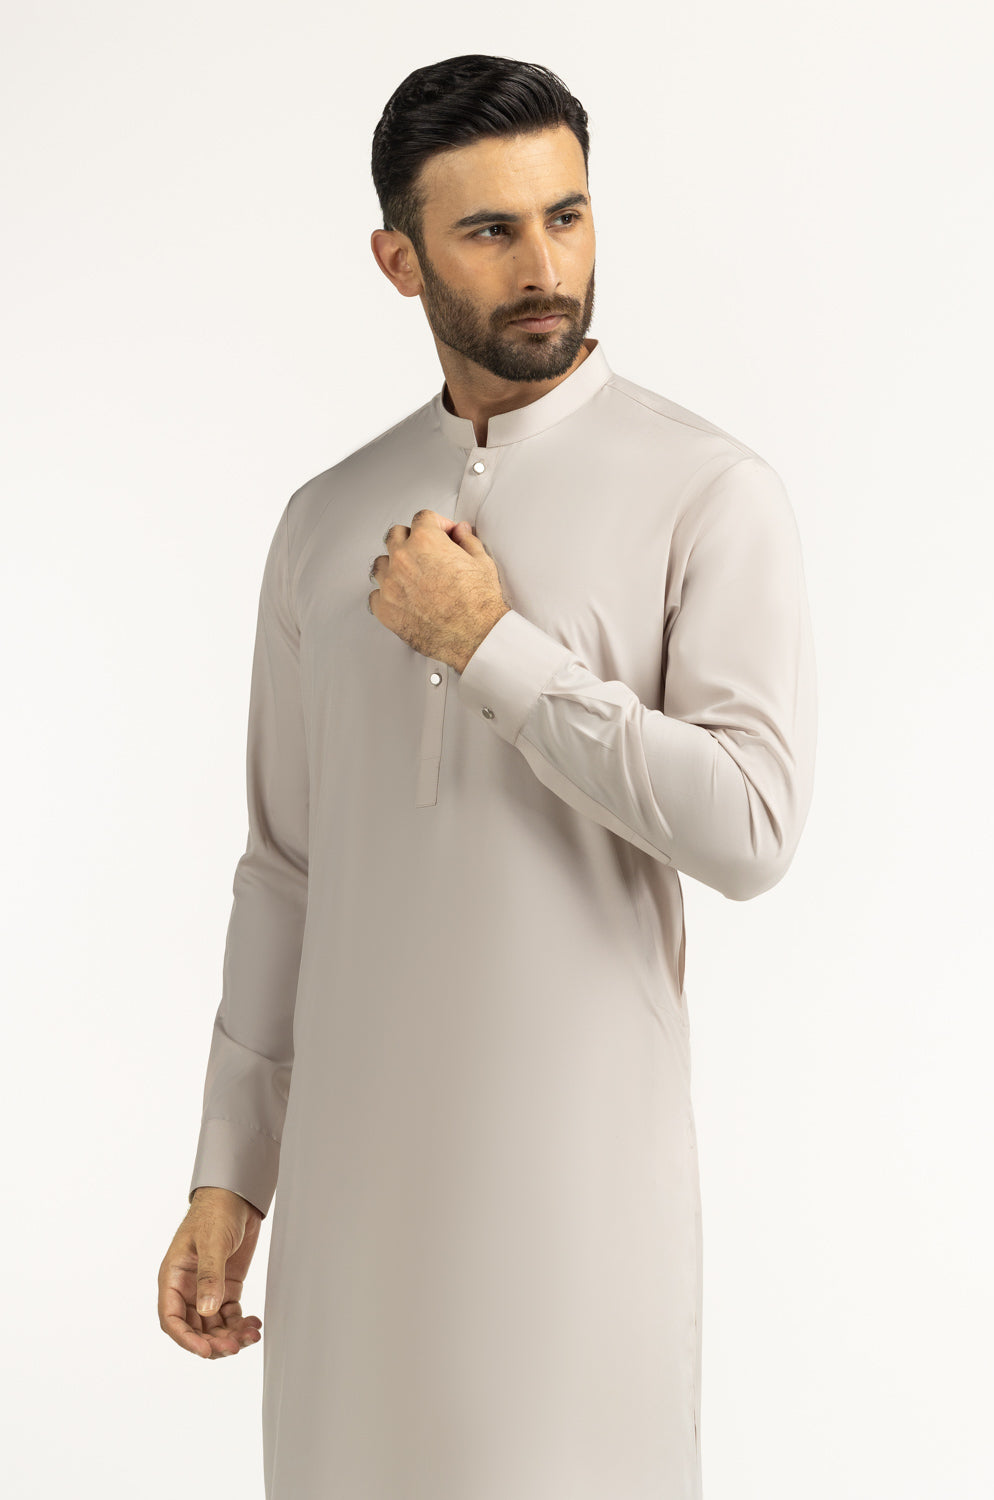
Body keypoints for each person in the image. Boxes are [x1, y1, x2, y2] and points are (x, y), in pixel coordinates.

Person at [157, 52, 817, 1500]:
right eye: (490, 231)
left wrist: (491, 649)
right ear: (399, 259)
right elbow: (284, 868)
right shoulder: (325, 518)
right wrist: (230, 1172)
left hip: (579, 1218)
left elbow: (753, 828)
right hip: (350, 1214)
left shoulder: (710, 492)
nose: (544, 269)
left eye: (567, 217)